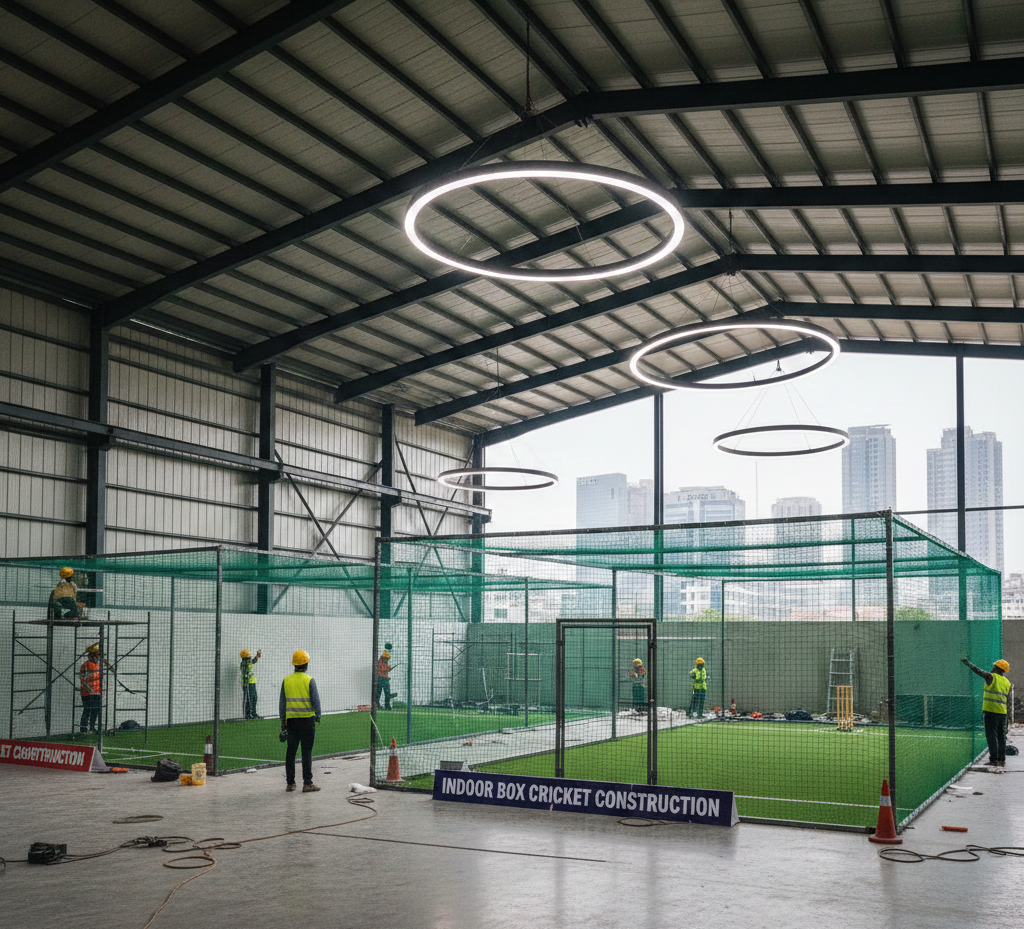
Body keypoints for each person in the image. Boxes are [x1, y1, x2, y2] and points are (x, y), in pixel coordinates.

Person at [280, 649, 321, 792]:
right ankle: (307, 783)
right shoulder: (309, 680)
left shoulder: (286, 681)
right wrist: (318, 716)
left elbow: (282, 704)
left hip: (291, 722)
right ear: (306, 664)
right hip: (307, 722)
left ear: (294, 665)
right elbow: (316, 701)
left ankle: (290, 783)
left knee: (290, 752)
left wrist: (282, 724)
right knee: (306, 752)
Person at [962, 657, 1011, 767]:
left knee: (991, 736)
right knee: (1001, 737)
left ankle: (993, 759)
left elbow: (977, 670)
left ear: (997, 668)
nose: (992, 668)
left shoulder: (991, 677)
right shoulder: (1007, 682)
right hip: (1002, 713)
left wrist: (966, 662)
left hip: (991, 712)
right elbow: (1007, 700)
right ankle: (1001, 760)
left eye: (994, 666)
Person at [79, 643, 102, 734]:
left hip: (97, 692)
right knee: (87, 709)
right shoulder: (86, 665)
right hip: (87, 692)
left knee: (95, 710)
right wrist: (86, 687)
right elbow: (82, 678)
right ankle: (83, 729)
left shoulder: (98, 665)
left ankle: (92, 727)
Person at [240, 649, 261, 719]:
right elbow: (253, 661)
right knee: (249, 699)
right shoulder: (245, 663)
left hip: (251, 683)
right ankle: (248, 714)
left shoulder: (246, 662)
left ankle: (253, 713)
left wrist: (257, 656)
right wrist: (257, 656)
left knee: (254, 698)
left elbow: (253, 661)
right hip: (248, 684)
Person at [375, 643, 394, 711]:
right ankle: (377, 705)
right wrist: (387, 669)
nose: (387, 660)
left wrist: (389, 668)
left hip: (385, 678)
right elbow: (381, 669)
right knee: (378, 692)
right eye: (386, 659)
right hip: (380, 678)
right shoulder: (381, 659)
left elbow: (388, 667)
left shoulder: (386, 661)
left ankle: (387, 705)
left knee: (387, 692)